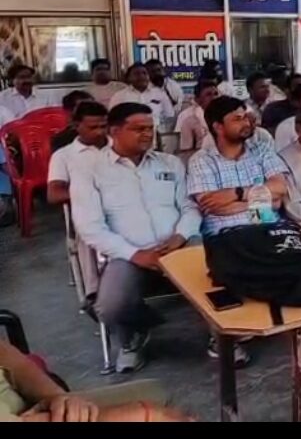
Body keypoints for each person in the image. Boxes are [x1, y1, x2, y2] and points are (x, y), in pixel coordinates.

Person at [69, 103, 207, 372]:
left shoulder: (169, 163)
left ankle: (221, 337)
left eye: (150, 128)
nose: (147, 134)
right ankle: (134, 336)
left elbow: (190, 207)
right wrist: (136, 254)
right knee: (109, 307)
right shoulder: (89, 170)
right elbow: (89, 227)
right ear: (114, 131)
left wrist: (180, 235)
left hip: (178, 245)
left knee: (215, 271)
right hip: (128, 254)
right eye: (138, 129)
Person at [0, 339, 188, 422]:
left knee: (156, 392)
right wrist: (144, 415)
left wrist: (56, 397)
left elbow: (7, 354)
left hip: (20, 407)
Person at [187, 96, 290, 238]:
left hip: (270, 229)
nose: (246, 123)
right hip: (227, 235)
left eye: (245, 117)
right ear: (218, 127)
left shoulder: (262, 149)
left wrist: (237, 193)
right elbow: (212, 206)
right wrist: (268, 202)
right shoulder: (201, 160)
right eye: (237, 119)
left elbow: (279, 188)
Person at [46, 101, 109, 205]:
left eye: (103, 126)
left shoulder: (121, 148)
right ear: (76, 126)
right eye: (93, 128)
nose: (100, 132)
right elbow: (54, 195)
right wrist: (92, 194)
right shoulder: (63, 156)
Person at [109, 63, 175, 127]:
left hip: (155, 132)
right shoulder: (119, 96)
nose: (141, 76)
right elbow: (113, 119)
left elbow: (169, 116)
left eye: (144, 73)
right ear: (128, 78)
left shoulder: (159, 94)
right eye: (137, 74)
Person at [175, 80, 219, 158]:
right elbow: (186, 153)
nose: (214, 98)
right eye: (208, 94)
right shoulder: (189, 121)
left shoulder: (227, 118)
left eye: (216, 94)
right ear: (197, 100)